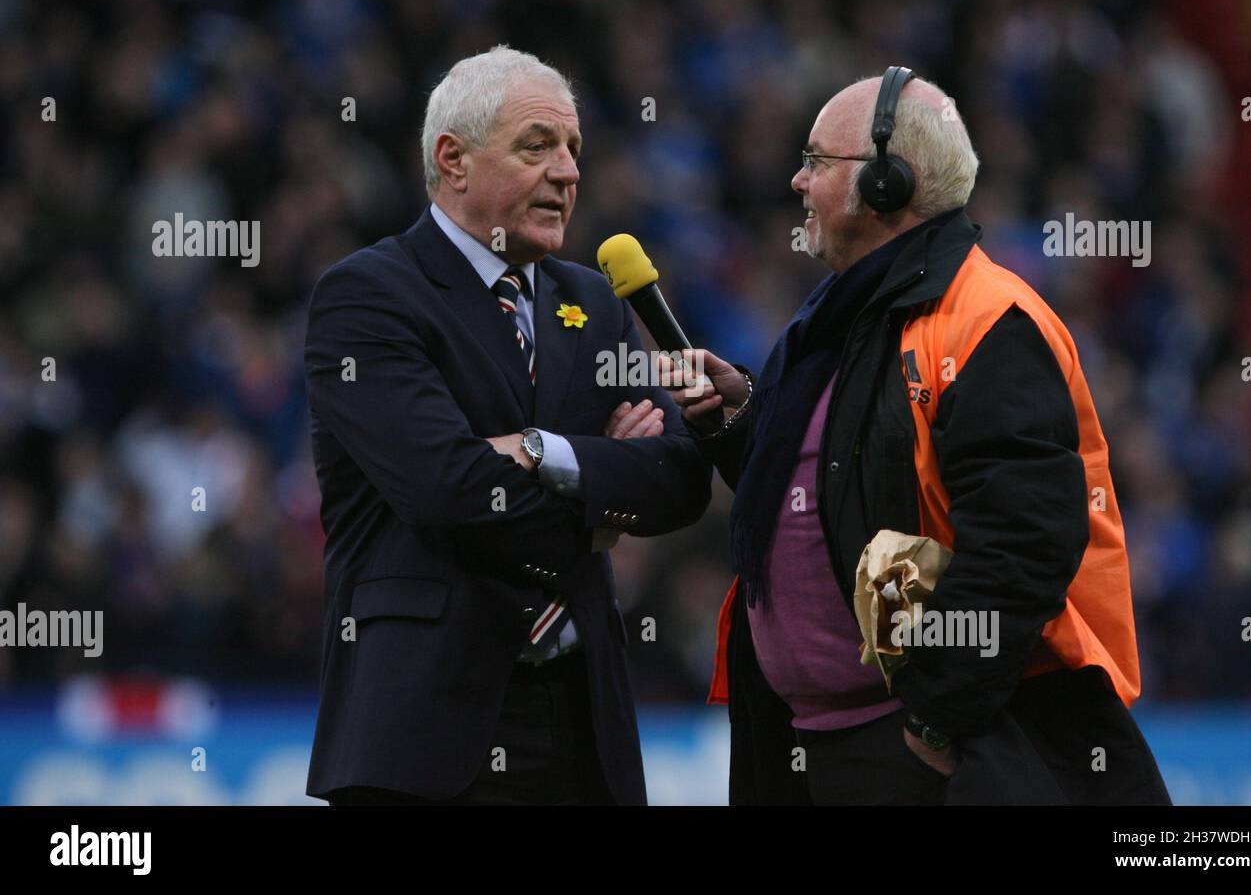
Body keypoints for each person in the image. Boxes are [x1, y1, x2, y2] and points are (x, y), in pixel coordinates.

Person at [659, 67, 1171, 805]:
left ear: (888, 182)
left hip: (929, 752)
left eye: (816, 161)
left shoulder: (987, 320)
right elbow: (834, 496)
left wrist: (934, 724)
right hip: (813, 745)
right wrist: (744, 423)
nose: (797, 183)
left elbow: (1024, 547)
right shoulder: (842, 317)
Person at [303, 46, 711, 805]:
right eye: (538, 146)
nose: (568, 172)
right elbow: (448, 491)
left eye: (574, 150)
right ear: (453, 160)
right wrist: (598, 502)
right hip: (423, 732)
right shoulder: (367, 296)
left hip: (583, 725)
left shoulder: (593, 302)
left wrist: (538, 452)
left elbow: (681, 479)